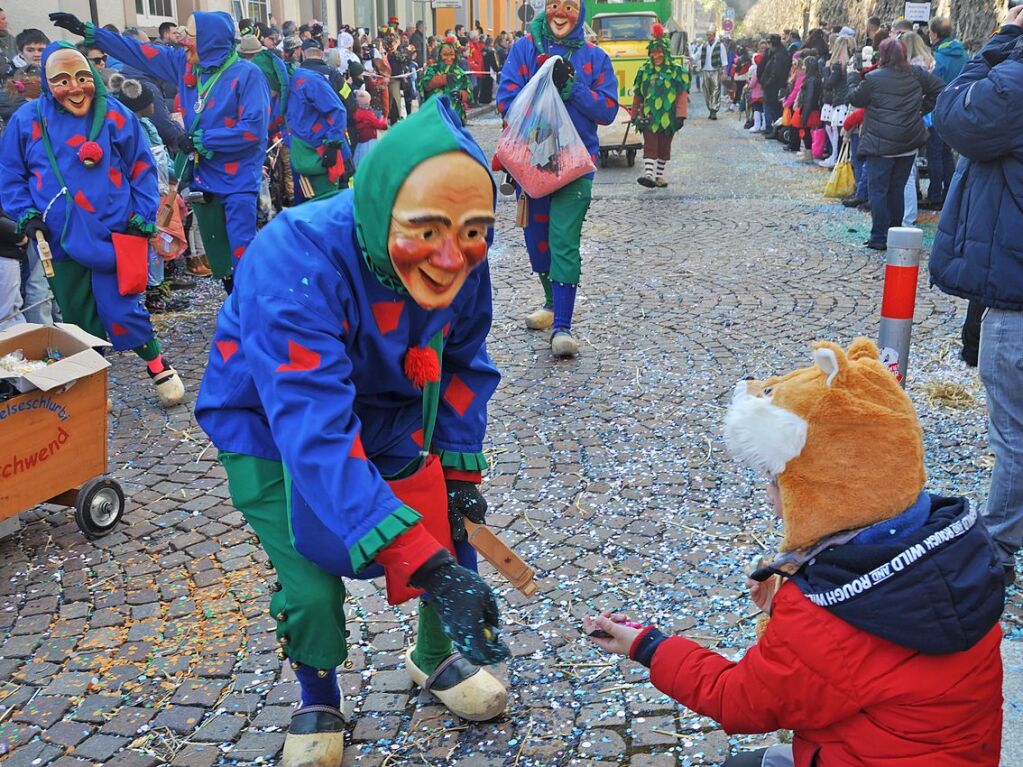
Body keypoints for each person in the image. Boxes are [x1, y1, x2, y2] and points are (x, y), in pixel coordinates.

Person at [195, 97, 510, 767]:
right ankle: (318, 691)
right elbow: (311, 424)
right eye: (425, 230)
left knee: (445, 534)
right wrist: (417, 556)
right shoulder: (293, 255)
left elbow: (463, 362)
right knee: (309, 580)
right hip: (269, 422)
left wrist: (458, 480)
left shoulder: (465, 254)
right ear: (382, 208)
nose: (451, 256)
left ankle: (435, 656)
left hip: (394, 408)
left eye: (473, 231)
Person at [585, 338, 1004, 767]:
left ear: (822, 489)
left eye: (776, 481)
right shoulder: (955, 545)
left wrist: (648, 645)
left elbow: (740, 700)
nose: (770, 497)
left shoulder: (825, 620)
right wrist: (792, 590)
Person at [0, 43, 185, 406]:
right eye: (62, 80)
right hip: (60, 237)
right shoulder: (27, 120)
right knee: (76, 313)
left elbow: (142, 168)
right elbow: (12, 174)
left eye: (82, 77)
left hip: (117, 235)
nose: (75, 88)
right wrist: (27, 215)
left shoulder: (115, 114)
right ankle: (92, 380)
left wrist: (141, 216)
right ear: (46, 82)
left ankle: (157, 364)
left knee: (122, 308)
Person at [52, 11, 271, 293]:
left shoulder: (248, 75)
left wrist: (205, 140)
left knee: (243, 252)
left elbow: (254, 130)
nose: (182, 41)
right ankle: (236, 305)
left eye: (189, 36)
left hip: (238, 180)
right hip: (204, 179)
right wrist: (90, 33)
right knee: (220, 259)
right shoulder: (186, 66)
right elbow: (141, 52)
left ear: (209, 41)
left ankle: (252, 313)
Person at [930, 5, 1023, 585]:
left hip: (1017, 292)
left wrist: (1005, 36)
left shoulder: (1015, 76)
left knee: (1013, 430)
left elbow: (953, 113)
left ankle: (1003, 542)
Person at [496, 0, 618, 357]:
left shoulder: (595, 58)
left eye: (569, 5)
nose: (561, 12)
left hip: (576, 167)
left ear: (580, 11)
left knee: (563, 239)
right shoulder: (523, 49)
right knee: (537, 240)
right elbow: (505, 100)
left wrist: (572, 87)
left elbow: (608, 110)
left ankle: (563, 325)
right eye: (554, 4)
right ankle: (551, 304)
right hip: (531, 164)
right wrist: (540, 84)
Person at [847, 38, 943, 251]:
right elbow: (940, 89)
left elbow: (855, 98)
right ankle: (894, 233)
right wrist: (920, 111)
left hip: (880, 144)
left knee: (879, 190)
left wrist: (852, 77)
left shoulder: (873, 78)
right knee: (896, 190)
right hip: (907, 142)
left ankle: (879, 236)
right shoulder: (916, 74)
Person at [286, 38, 351, 201]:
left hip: (317, 149)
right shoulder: (333, 73)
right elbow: (348, 101)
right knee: (339, 197)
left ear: (302, 53)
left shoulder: (295, 79)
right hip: (331, 142)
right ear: (322, 54)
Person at [631, 23, 689, 188]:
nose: (655, 55)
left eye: (659, 52)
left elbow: (681, 95)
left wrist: (681, 115)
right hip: (649, 115)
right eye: (653, 52)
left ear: (665, 53)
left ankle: (658, 176)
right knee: (650, 144)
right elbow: (638, 94)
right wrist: (634, 115)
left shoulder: (677, 72)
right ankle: (649, 175)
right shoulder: (644, 72)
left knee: (664, 146)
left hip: (669, 117)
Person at [922, 17, 967, 211]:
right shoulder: (962, 53)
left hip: (938, 109)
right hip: (957, 108)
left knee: (935, 153)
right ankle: (950, 192)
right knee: (947, 153)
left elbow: (933, 84)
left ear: (934, 34)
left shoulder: (938, 57)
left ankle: (934, 195)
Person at [817, 28, 854, 168]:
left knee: (838, 134)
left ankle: (837, 161)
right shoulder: (851, 62)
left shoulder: (838, 65)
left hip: (839, 101)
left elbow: (828, 84)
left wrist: (826, 70)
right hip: (847, 100)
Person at [418, 38, 473, 124]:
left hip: (454, 117)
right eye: (445, 55)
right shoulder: (433, 69)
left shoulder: (460, 73)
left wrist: (461, 94)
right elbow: (425, 84)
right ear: (440, 55)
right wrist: (444, 79)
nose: (449, 58)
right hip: (435, 115)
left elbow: (469, 95)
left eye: (451, 54)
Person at [758, 34, 790, 139]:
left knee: (772, 107)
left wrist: (767, 83)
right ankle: (773, 129)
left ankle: (773, 130)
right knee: (773, 107)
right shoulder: (779, 53)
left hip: (774, 86)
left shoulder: (777, 55)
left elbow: (775, 72)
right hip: (776, 85)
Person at [693, 29, 727, 119]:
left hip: (715, 70)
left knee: (715, 90)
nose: (708, 37)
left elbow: (724, 59)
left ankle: (714, 111)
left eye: (710, 35)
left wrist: (724, 72)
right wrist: (690, 58)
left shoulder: (720, 45)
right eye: (707, 35)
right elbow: (697, 55)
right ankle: (710, 108)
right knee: (707, 90)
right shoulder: (704, 45)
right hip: (705, 70)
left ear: (714, 35)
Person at [351, 88, 387, 168]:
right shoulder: (367, 114)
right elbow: (379, 125)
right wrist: (383, 120)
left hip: (361, 140)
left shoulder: (356, 112)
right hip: (369, 140)